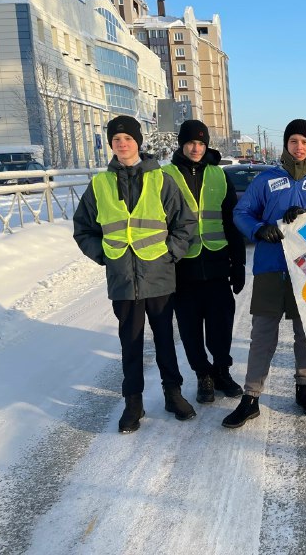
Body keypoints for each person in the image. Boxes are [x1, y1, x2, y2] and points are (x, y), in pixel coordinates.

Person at [73, 115, 197, 432]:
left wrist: (172, 253)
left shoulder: (161, 180)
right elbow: (83, 229)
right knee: (130, 342)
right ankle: (133, 403)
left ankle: (173, 394)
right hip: (123, 280)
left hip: (158, 276)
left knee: (165, 340)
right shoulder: (99, 184)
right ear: (112, 145)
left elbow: (184, 222)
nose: (122, 144)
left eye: (127, 138)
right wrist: (103, 256)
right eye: (116, 140)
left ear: (137, 142)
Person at [222, 119, 306, 429]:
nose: (299, 146)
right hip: (270, 268)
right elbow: (241, 212)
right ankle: (251, 398)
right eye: (293, 141)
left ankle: (303, 388)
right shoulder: (266, 180)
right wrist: (260, 228)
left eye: (304, 141)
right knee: (263, 333)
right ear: (286, 145)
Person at [163, 120, 246, 404]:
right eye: (191, 142)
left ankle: (222, 371)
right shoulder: (165, 175)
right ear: (181, 144)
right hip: (181, 268)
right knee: (189, 328)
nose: (196, 148)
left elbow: (231, 223)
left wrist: (239, 265)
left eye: (201, 143)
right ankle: (203, 375)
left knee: (221, 324)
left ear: (207, 145)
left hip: (216, 264)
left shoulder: (219, 176)